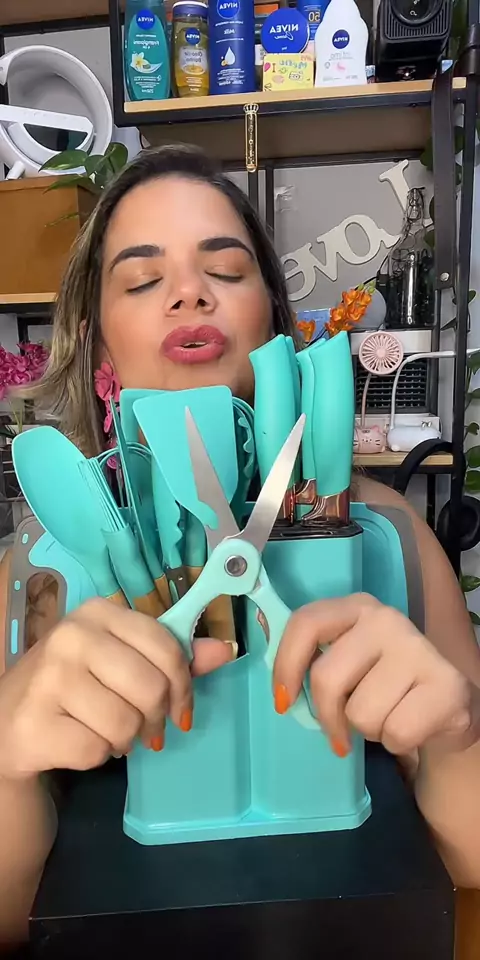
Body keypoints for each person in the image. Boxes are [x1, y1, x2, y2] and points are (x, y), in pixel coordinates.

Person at [1, 144, 480, 948]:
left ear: (273, 324)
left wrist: (458, 742)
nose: (189, 291)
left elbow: (470, 880)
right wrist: (6, 769)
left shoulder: (391, 539)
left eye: (225, 270)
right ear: (98, 345)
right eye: (142, 280)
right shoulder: (37, 576)